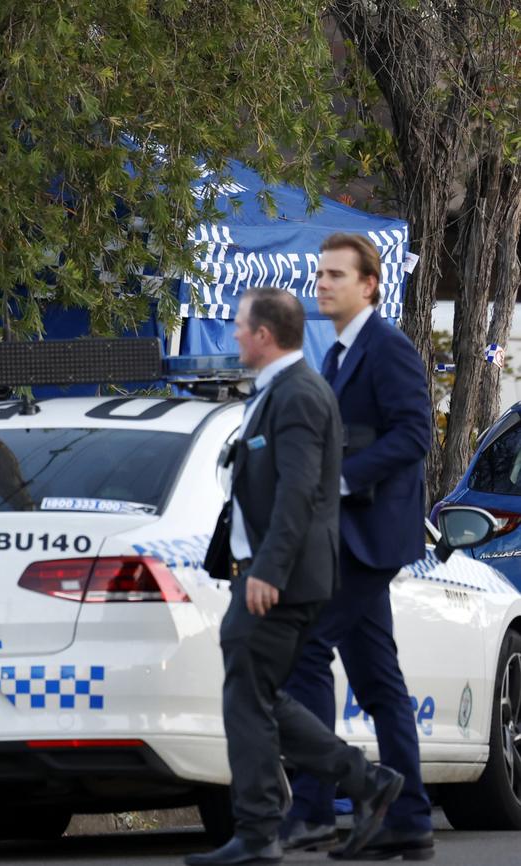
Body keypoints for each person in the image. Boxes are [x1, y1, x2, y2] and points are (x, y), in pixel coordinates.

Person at [185, 287, 403, 866]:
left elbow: (299, 490)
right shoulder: (276, 390)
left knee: (247, 697)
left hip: (278, 578)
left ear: (264, 334)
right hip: (259, 573)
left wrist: (268, 571)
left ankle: (258, 832)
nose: (232, 335)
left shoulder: (300, 394)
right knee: (255, 695)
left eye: (239, 327)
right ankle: (363, 781)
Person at [280, 233, 434, 861]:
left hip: (373, 536)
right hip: (346, 537)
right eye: (319, 274)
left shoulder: (387, 348)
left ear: (369, 284)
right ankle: (410, 820)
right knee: (380, 684)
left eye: (336, 275)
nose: (322, 284)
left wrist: (344, 477)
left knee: (305, 651)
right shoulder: (338, 356)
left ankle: (315, 810)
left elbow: (416, 432)